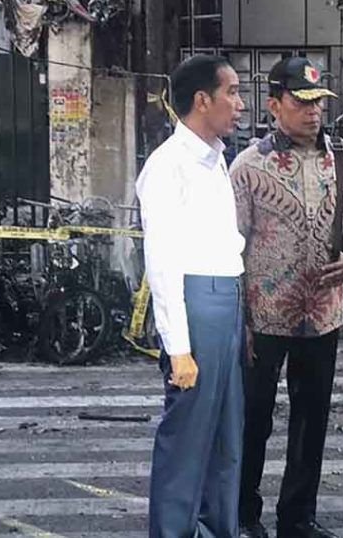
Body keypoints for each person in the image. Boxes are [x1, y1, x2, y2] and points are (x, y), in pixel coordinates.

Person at [232, 57, 343, 538]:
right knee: (253, 421)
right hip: (264, 316)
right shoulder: (249, 165)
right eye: (301, 102)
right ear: (274, 106)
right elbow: (232, 245)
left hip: (323, 316)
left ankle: (297, 517)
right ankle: (244, 513)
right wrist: (240, 321)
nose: (313, 112)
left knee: (311, 423)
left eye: (318, 103)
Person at [137, 54, 247, 538]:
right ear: (203, 101)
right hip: (196, 303)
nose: (240, 104)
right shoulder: (168, 166)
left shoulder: (215, 157)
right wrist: (178, 347)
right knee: (187, 439)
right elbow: (162, 263)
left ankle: (216, 529)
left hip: (226, 300)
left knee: (226, 438)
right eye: (233, 92)